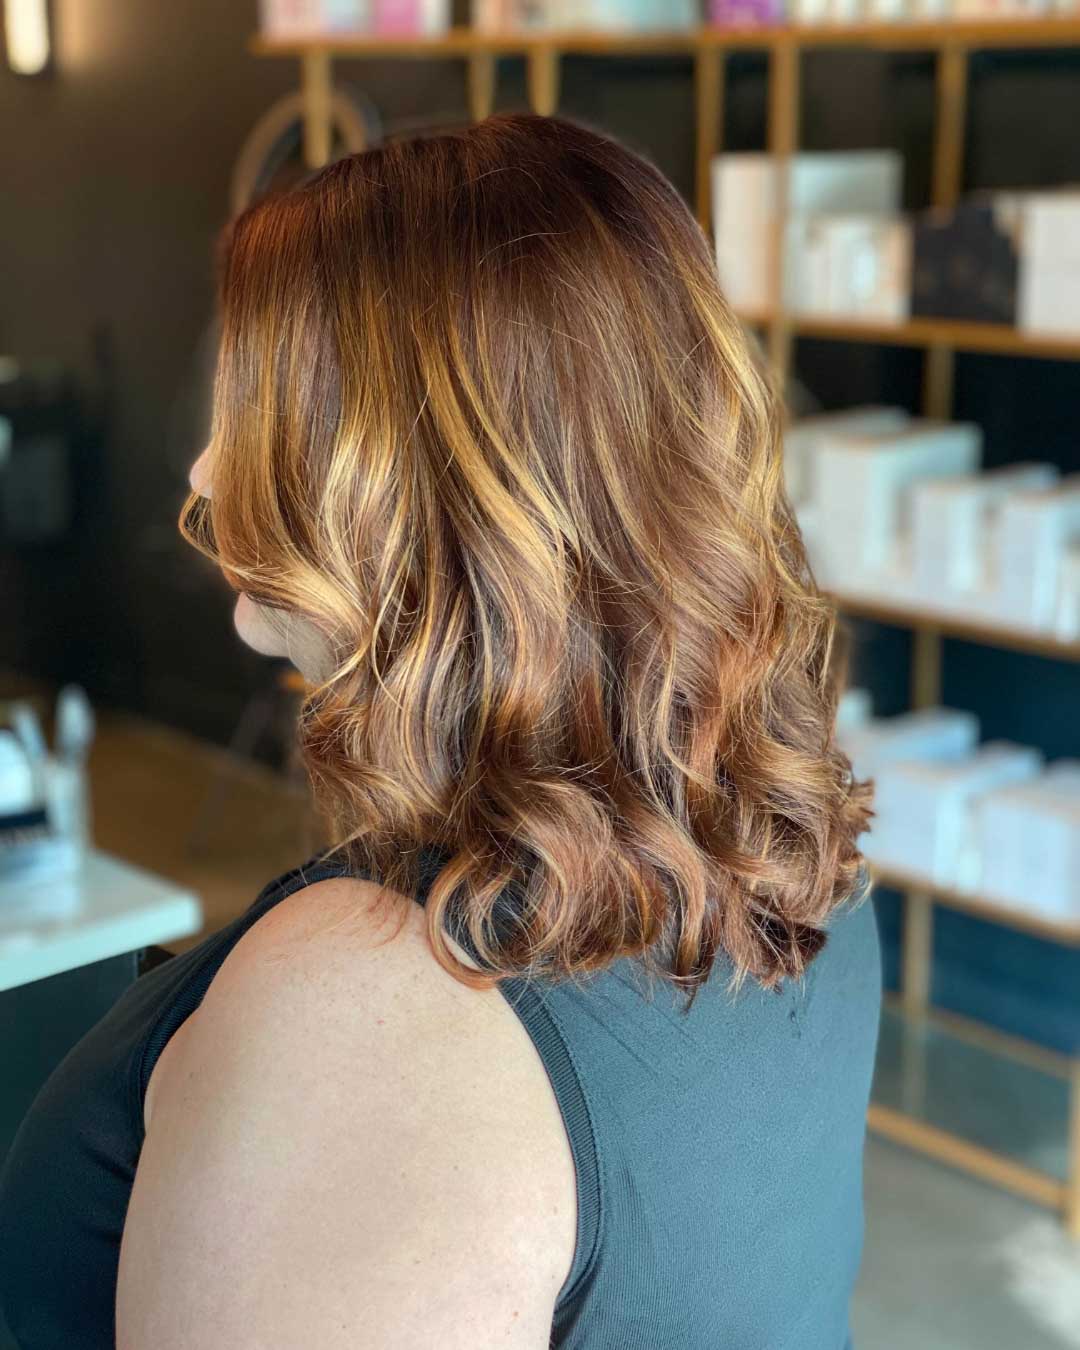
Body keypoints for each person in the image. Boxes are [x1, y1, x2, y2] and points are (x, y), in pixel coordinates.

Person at [0, 113, 880, 1349]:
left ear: (423, 484)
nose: (203, 474)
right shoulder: (792, 841)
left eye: (260, 417)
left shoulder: (366, 1018)